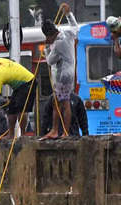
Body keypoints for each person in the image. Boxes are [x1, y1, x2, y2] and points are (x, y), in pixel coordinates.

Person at [41, 3, 78, 140]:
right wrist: (69, 14)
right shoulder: (67, 33)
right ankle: (62, 132)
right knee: (63, 102)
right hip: (70, 74)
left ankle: (57, 131)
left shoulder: (58, 44)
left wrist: (46, 49)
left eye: (47, 37)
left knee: (60, 103)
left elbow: (50, 61)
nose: (47, 39)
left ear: (50, 34)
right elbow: (75, 28)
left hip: (62, 76)